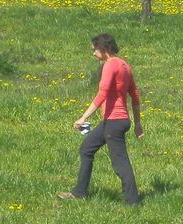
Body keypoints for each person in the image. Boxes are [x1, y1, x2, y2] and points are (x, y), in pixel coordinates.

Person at [59, 33, 143, 206]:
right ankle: (79, 192)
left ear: (104, 49)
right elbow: (134, 96)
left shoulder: (110, 65)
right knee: (86, 149)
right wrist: (137, 124)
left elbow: (102, 95)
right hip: (115, 121)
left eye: (95, 50)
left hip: (114, 123)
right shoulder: (124, 65)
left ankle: (132, 202)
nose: (93, 53)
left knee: (120, 164)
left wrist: (83, 118)